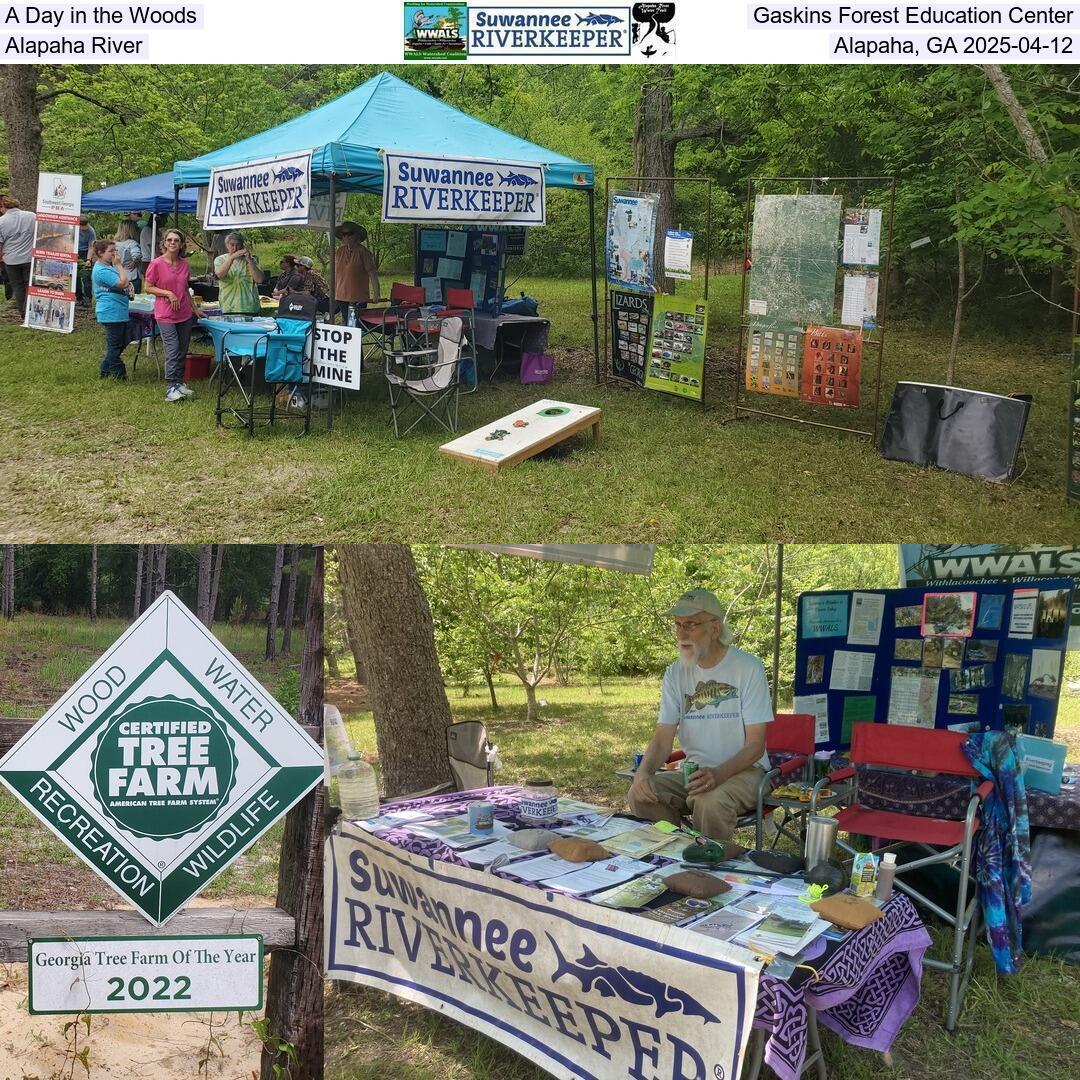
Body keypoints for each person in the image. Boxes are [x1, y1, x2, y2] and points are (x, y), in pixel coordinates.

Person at [628, 588, 773, 843]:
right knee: (640, 794)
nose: (682, 633)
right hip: (694, 773)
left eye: (691, 625)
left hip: (747, 771)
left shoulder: (748, 668)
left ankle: (710, 870)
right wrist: (643, 772)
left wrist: (718, 775)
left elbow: (755, 746)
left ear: (715, 629)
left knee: (709, 801)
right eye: (678, 625)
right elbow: (663, 738)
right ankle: (678, 850)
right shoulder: (676, 673)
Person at [144, 227, 196, 403]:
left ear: (181, 244)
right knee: (172, 349)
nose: (172, 243)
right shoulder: (157, 264)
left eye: (176, 240)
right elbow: (148, 287)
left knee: (182, 349)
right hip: (165, 314)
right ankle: (170, 387)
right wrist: (168, 293)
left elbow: (185, 290)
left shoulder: (184, 264)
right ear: (164, 243)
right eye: (169, 240)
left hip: (184, 313)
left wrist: (195, 309)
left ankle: (180, 382)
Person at [90, 239, 132, 379]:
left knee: (119, 343)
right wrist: (119, 265)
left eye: (116, 250)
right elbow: (123, 283)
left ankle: (105, 370)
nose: (115, 254)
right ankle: (119, 373)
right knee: (115, 345)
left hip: (117, 310)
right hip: (111, 312)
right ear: (100, 253)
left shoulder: (107, 266)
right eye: (111, 251)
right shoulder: (102, 270)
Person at [334, 220, 379, 324]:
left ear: (357, 235)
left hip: (358, 295)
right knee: (346, 322)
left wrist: (376, 293)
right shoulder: (339, 251)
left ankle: (358, 339)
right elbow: (336, 273)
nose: (346, 237)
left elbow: (372, 273)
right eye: (344, 234)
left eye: (350, 234)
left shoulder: (363, 252)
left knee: (355, 323)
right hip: (340, 295)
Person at [0, 197, 37, 317]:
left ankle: (23, 312)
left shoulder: (1, 221)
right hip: (29, 257)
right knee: (29, 285)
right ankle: (30, 309)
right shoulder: (32, 216)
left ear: (4, 207)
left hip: (11, 260)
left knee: (17, 286)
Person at [214, 230, 264, 314]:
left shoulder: (252, 260)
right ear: (227, 245)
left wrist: (249, 260)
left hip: (250, 307)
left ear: (242, 245)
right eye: (232, 245)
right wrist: (231, 258)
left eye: (238, 245)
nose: (235, 248)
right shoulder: (220, 260)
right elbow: (220, 275)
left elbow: (259, 280)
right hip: (229, 307)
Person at [112, 219, 143, 294]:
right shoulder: (132, 243)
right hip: (131, 277)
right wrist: (135, 261)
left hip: (117, 276)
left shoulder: (114, 244)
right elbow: (137, 255)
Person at [76, 216, 96, 306]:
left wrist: (88, 259)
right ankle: (79, 298)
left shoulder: (91, 231)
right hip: (75, 252)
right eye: (83, 226)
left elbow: (91, 246)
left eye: (86, 225)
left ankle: (88, 299)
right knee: (75, 278)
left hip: (85, 252)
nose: (85, 228)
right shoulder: (74, 228)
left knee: (86, 277)